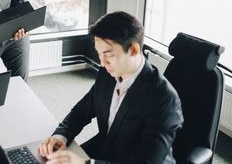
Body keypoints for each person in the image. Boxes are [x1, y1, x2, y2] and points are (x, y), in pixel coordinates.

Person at [38, 11, 184, 163]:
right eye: (99, 54)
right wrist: (60, 136)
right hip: (107, 149)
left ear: (133, 50)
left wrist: (85, 163)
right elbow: (82, 111)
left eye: (108, 55)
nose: (102, 63)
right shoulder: (107, 72)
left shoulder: (164, 99)